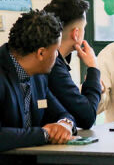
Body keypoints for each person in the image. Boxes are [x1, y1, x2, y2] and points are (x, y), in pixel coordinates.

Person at [0, 10, 76, 152]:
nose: (57, 56)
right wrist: (44, 134)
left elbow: (62, 113)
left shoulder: (38, 75)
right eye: (56, 50)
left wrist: (65, 125)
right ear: (41, 53)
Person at [43, 0, 101, 129]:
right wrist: (93, 68)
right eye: (84, 28)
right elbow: (87, 117)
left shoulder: (54, 61)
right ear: (76, 34)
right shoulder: (53, 67)